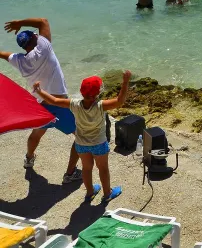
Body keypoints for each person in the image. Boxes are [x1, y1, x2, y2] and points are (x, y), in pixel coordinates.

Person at [0, 18, 82, 183]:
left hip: (40, 108)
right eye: (35, 36)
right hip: (59, 106)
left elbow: (3, 54)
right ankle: (70, 173)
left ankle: (29, 159)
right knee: (82, 137)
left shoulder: (20, 61)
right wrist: (19, 23)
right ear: (35, 39)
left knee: (36, 135)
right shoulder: (44, 49)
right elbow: (43, 21)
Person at [33, 71, 131, 203]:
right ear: (97, 93)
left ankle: (90, 192)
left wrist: (39, 91)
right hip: (99, 144)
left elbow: (54, 101)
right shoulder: (101, 106)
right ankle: (107, 193)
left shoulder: (74, 104)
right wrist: (125, 82)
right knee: (103, 168)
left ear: (81, 92)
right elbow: (120, 101)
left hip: (81, 144)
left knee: (86, 168)